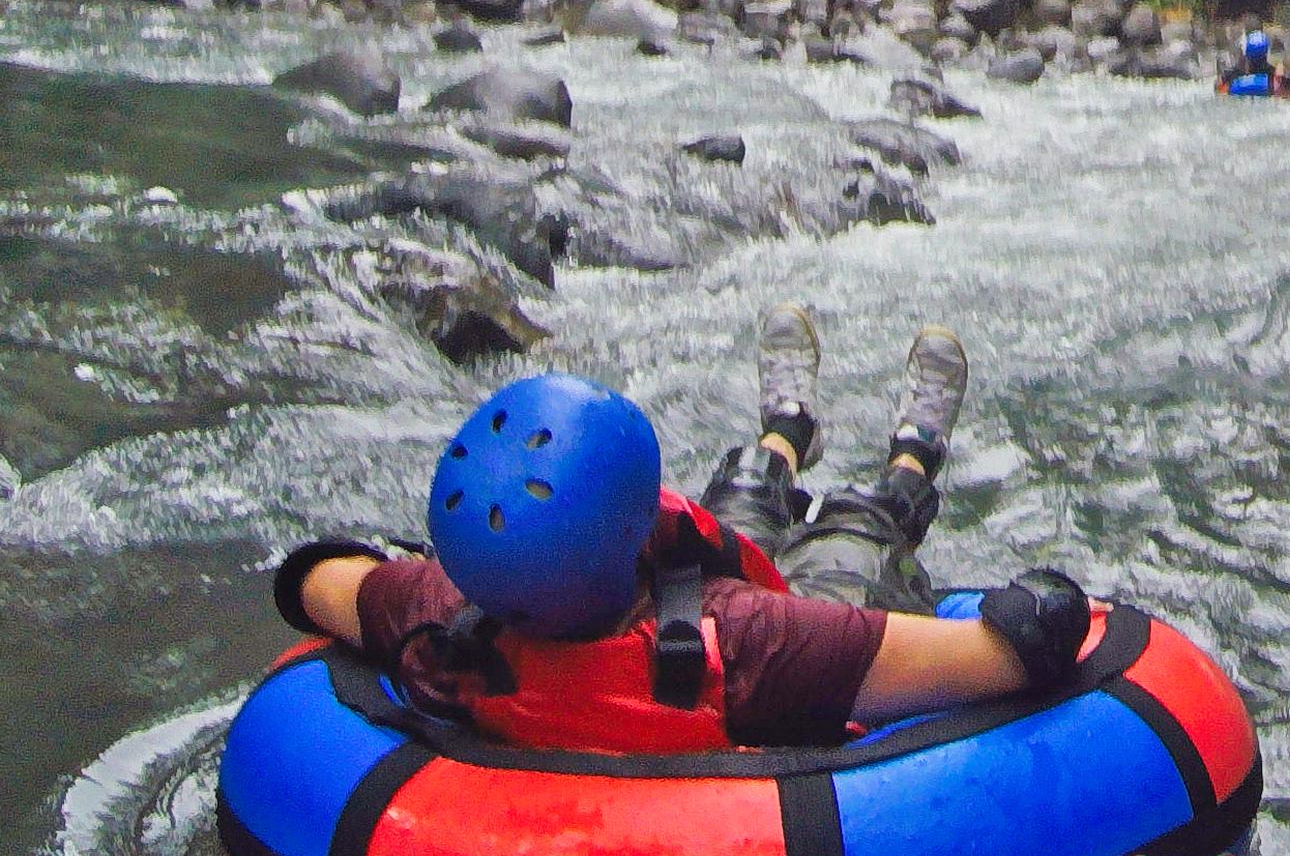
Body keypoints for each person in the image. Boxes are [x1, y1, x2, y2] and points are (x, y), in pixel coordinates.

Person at [271, 305, 1094, 753]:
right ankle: (914, 454)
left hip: (662, 603)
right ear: (633, 533)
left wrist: (414, 571)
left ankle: (786, 430)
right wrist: (1048, 609)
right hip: (752, 628)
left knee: (736, 501)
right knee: (855, 531)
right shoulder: (754, 641)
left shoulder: (430, 612)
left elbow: (310, 578)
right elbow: (1005, 655)